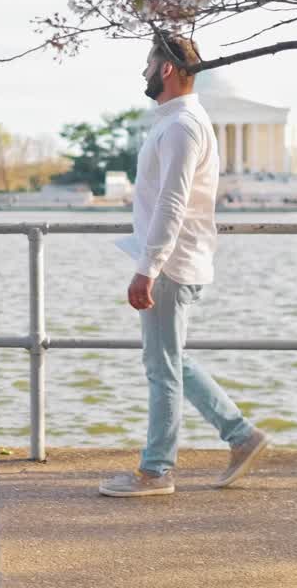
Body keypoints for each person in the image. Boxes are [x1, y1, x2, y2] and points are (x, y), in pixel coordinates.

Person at [99, 33, 270, 497]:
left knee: (162, 369)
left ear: (167, 69)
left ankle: (156, 471)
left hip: (170, 264)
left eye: (148, 63)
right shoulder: (179, 121)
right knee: (170, 360)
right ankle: (241, 435)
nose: (144, 72)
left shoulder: (181, 126)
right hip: (174, 258)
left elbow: (172, 203)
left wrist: (148, 268)